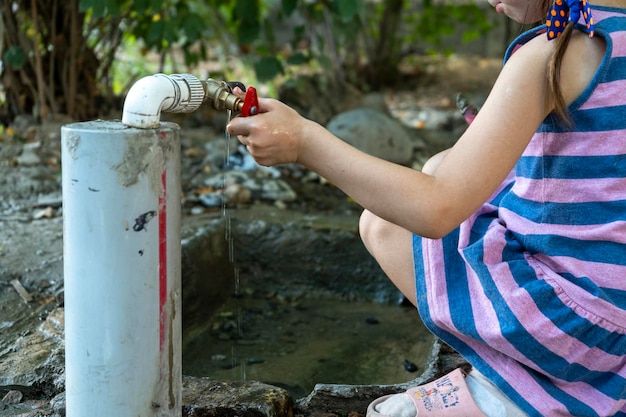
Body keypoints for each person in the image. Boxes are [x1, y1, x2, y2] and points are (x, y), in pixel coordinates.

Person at [226, 0, 626, 414]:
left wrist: (305, 142)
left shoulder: (553, 55)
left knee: (385, 225)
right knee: (439, 165)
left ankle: (516, 389)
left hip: (577, 331)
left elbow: (434, 210)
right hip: (618, 315)